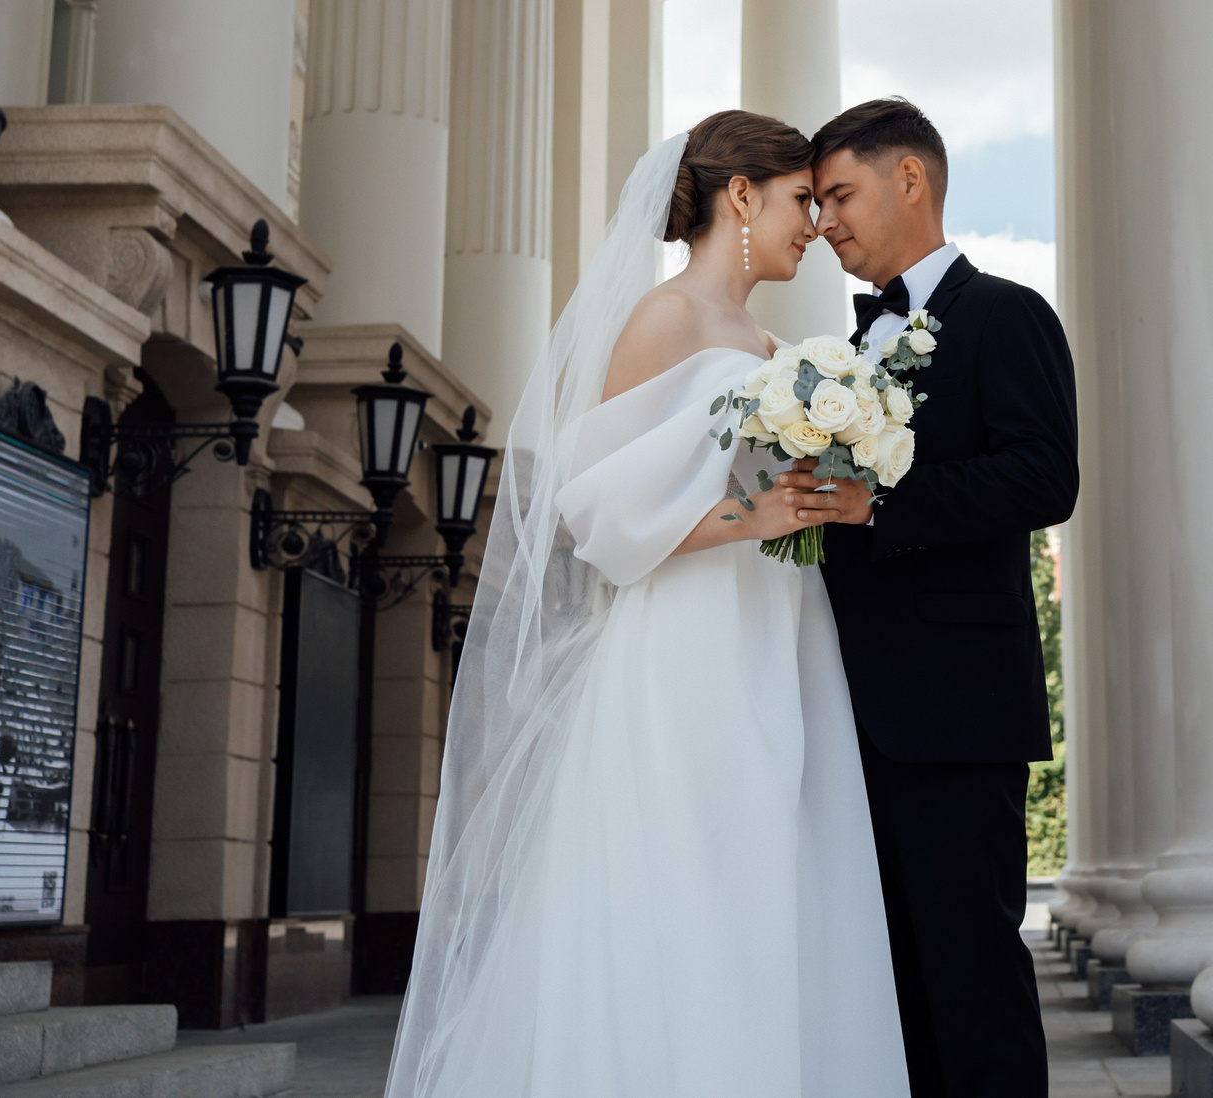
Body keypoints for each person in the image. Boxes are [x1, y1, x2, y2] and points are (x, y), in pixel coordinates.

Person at [384, 111, 909, 1098]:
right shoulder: (663, 319)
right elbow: (592, 508)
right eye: (801, 199)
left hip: (778, 628)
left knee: (776, 874)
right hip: (686, 643)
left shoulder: (769, 340)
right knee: (695, 876)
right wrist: (745, 515)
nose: (814, 225)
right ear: (740, 195)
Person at [804, 97, 1081, 1098]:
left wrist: (877, 498)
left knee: (971, 979)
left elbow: (1046, 475)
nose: (826, 218)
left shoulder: (1006, 314)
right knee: (885, 987)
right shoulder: (836, 353)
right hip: (844, 711)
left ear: (908, 177)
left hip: (956, 710)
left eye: (840, 192)